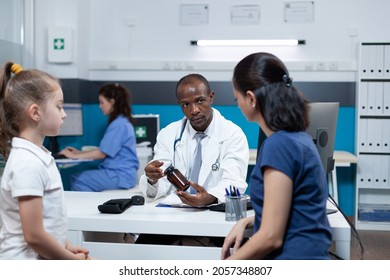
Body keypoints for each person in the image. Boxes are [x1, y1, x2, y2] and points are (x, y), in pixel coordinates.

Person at [221, 52, 332, 260]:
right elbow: (292, 209)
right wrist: (248, 220)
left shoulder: (278, 146)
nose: (238, 105)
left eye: (237, 98)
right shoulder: (298, 138)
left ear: (251, 98)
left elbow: (271, 237)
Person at [0, 62, 91, 259]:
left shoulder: (37, 156)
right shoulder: (27, 164)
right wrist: (72, 262)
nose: (64, 114)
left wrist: (65, 245)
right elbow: (34, 236)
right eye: (59, 106)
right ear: (35, 112)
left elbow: (46, 222)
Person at [139, 73, 249, 207]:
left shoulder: (232, 134)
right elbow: (162, 185)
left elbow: (234, 182)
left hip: (214, 211)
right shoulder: (168, 134)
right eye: (186, 104)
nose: (194, 110)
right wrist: (152, 179)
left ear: (211, 97)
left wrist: (208, 198)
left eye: (200, 101)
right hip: (176, 212)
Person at [59, 83, 139, 192]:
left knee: (78, 179)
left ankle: (87, 208)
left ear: (112, 102)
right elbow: (104, 150)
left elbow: (102, 153)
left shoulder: (118, 124)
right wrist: (77, 153)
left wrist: (73, 156)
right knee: (79, 177)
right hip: (123, 175)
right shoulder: (122, 122)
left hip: (119, 176)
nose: (100, 106)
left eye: (102, 102)